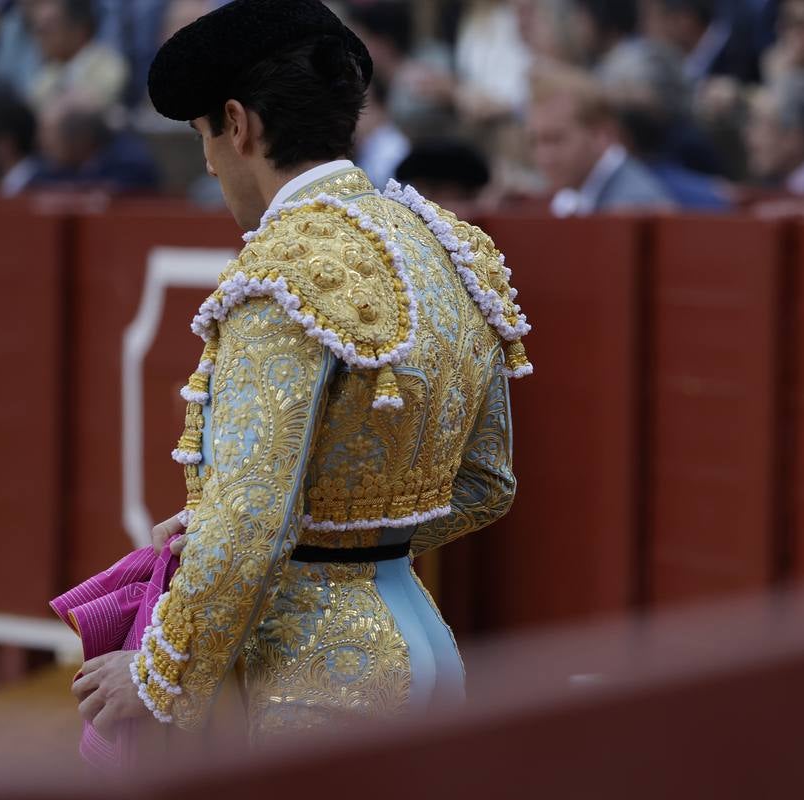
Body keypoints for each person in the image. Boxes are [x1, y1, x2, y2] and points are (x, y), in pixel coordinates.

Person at [67, 0, 529, 750]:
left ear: (237, 124)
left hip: (315, 672)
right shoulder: (448, 246)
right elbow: (485, 484)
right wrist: (346, 536)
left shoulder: (280, 271)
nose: (211, 164)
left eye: (203, 138)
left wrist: (155, 676)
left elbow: (251, 521)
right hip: (423, 640)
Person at [528, 63, 675, 215]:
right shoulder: (571, 193)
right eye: (534, 141)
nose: (543, 156)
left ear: (602, 135)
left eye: (556, 139)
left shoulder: (635, 207)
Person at [28, 0, 129, 111]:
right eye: (38, 29)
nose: (40, 36)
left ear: (79, 28)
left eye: (49, 28)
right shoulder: (46, 76)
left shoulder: (110, 66)